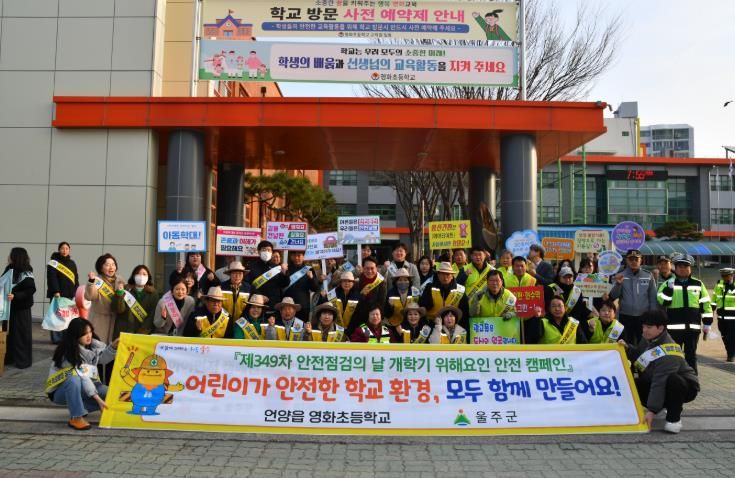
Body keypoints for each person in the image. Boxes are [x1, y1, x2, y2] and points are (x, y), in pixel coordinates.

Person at [620, 309, 699, 434]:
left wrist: (651, 411)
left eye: (649, 327)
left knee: (673, 380)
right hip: (658, 380)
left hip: (685, 386)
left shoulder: (669, 351)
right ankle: (662, 406)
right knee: (633, 383)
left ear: (661, 328)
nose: (644, 330)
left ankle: (674, 419)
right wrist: (628, 348)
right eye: (643, 326)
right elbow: (641, 357)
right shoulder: (648, 338)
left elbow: (660, 381)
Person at [46, 318, 118, 431]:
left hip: (86, 386)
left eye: (90, 332)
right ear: (75, 335)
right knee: (74, 379)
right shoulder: (67, 353)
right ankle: (77, 417)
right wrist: (98, 399)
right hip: (60, 391)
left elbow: (102, 359)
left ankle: (79, 407)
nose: (89, 336)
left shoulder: (93, 345)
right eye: (84, 334)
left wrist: (113, 346)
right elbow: (83, 377)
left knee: (111, 393)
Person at [657, 254, 713, 373]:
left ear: (690, 268)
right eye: (680, 266)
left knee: (691, 356)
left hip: (693, 329)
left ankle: (692, 380)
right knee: (674, 357)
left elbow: (706, 304)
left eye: (686, 266)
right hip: (674, 329)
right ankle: (675, 380)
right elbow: (662, 301)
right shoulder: (668, 283)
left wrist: (707, 323)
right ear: (675, 268)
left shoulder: (698, 284)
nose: (683, 269)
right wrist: (669, 290)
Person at [607, 249, 658, 345]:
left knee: (643, 342)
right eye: (631, 259)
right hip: (625, 316)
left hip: (644, 316)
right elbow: (613, 296)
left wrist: (652, 315)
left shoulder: (648, 275)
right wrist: (618, 284)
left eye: (636, 259)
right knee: (626, 343)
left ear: (641, 260)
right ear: (627, 260)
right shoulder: (620, 275)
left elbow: (653, 297)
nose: (634, 262)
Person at [4, 247, 35, 369]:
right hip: (9, 307)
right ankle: (10, 358)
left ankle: (23, 361)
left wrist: (16, 295)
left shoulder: (27, 271)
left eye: (11, 255)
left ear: (16, 256)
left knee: (21, 335)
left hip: (22, 308)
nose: (9, 257)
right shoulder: (9, 268)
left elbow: (30, 290)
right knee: (10, 334)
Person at [85, 253, 126, 344]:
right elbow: (90, 296)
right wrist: (91, 281)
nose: (111, 267)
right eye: (107, 265)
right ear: (101, 268)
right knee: (98, 345)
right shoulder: (97, 281)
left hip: (115, 320)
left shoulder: (120, 281)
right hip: (100, 320)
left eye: (113, 264)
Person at [112, 265, 159, 338]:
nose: (141, 276)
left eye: (144, 274)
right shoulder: (124, 289)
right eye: (138, 274)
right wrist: (120, 295)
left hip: (144, 333)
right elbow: (118, 310)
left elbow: (152, 315)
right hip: (124, 331)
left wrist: (142, 331)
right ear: (133, 276)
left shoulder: (153, 293)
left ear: (148, 277)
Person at [420, 262, 470, 330]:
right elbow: (423, 306)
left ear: (452, 276)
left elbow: (465, 313)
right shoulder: (429, 287)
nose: (445, 277)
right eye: (442, 274)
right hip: (432, 326)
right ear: (438, 275)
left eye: (448, 274)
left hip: (453, 327)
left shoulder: (460, 290)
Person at [46, 241, 79, 344]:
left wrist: (76, 291)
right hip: (58, 295)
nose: (64, 250)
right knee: (57, 317)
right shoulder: (53, 263)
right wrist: (56, 291)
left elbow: (75, 278)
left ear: (69, 250)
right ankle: (57, 338)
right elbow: (52, 278)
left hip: (69, 294)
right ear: (59, 250)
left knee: (67, 317)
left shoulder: (72, 263)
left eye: (66, 249)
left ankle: (66, 338)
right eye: (62, 248)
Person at [244, 241, 289, 315]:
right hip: (257, 305)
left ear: (271, 253)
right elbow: (246, 284)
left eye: (269, 250)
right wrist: (258, 295)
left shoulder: (277, 268)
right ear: (259, 252)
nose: (266, 252)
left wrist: (284, 273)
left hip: (273, 305)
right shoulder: (251, 267)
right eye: (264, 250)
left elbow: (284, 284)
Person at [349, 257, 387, 336]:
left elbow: (381, 303)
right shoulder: (357, 282)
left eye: (372, 268)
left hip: (374, 319)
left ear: (376, 268)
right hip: (358, 319)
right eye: (367, 268)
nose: (369, 271)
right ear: (363, 268)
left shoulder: (381, 282)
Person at [283, 250, 320, 322]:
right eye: (294, 255)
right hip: (287, 306)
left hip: (303, 306)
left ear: (303, 257)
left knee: (302, 327)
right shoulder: (286, 268)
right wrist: (284, 273)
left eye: (299, 255)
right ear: (291, 257)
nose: (296, 258)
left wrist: (311, 278)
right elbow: (282, 284)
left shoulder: (309, 269)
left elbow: (315, 288)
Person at [713, 268, 735, 362]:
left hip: (733, 318)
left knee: (731, 337)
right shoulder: (719, 285)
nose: (725, 278)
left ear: (732, 275)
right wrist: (711, 311)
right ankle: (730, 351)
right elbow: (714, 299)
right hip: (721, 318)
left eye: (727, 276)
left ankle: (731, 354)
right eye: (723, 276)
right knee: (724, 336)